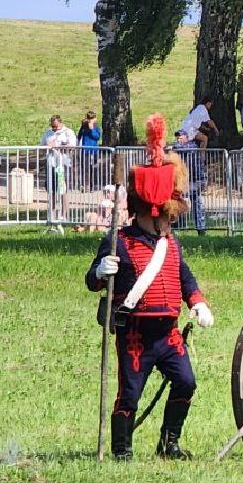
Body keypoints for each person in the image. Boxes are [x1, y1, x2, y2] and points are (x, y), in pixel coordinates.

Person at [86, 114, 214, 460]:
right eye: (165, 217)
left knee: (186, 382)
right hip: (136, 334)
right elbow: (92, 282)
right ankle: (121, 450)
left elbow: (183, 276)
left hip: (168, 333)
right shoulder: (119, 242)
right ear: (150, 211)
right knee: (129, 394)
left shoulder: (170, 243)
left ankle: (169, 443)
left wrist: (197, 302)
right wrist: (101, 270)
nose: (169, 222)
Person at [42, 115, 76, 223]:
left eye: (56, 126)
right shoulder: (48, 133)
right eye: (52, 126)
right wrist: (47, 146)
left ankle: (64, 215)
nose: (54, 128)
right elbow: (41, 146)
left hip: (62, 165)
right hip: (51, 164)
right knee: (51, 190)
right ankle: (51, 215)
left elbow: (73, 146)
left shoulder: (68, 132)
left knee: (62, 189)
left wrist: (59, 146)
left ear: (61, 123)